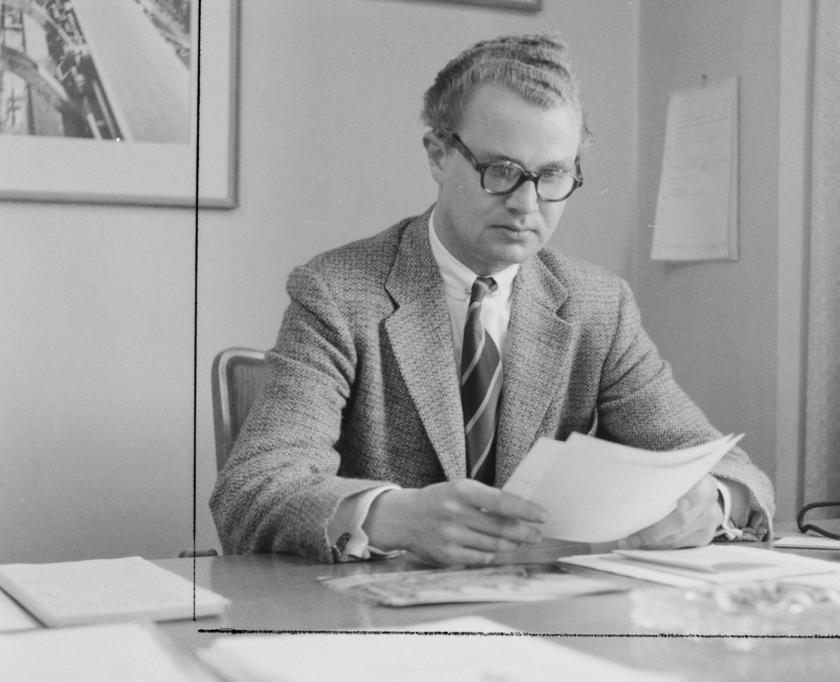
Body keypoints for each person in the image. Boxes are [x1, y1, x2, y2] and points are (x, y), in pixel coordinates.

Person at [211, 35, 774, 565]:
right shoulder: (337, 293)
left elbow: (729, 465)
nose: (527, 204)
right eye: (501, 171)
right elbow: (253, 488)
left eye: (553, 175)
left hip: (546, 616)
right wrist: (394, 517)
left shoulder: (599, 306)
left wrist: (714, 500)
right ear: (438, 155)